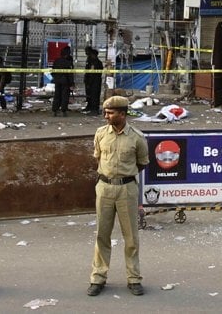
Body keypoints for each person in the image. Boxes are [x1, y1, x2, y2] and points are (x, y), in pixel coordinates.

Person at [87, 95, 149, 297]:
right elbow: (97, 157)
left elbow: (142, 163)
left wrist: (124, 176)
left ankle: (133, 278)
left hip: (127, 189)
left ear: (122, 114)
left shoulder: (137, 138)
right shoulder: (100, 134)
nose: (106, 116)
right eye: (105, 112)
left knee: (130, 236)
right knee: (102, 234)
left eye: (110, 113)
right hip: (104, 187)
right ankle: (98, 277)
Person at [51, 46, 74, 117]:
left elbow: (53, 71)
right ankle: (64, 110)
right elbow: (70, 73)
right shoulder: (68, 62)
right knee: (64, 96)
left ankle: (55, 110)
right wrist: (72, 83)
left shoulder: (56, 61)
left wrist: (56, 78)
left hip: (57, 81)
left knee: (57, 95)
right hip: (65, 81)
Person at [83, 46, 103, 116]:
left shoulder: (96, 62)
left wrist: (89, 82)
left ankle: (94, 110)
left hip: (95, 82)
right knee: (89, 95)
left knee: (94, 96)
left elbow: (92, 74)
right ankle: (90, 107)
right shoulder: (90, 61)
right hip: (90, 81)